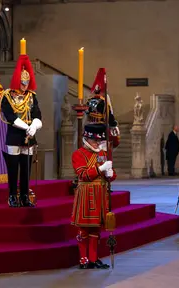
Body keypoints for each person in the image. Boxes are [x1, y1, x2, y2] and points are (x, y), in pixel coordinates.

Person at [71, 123, 117, 269]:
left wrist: (111, 174)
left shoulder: (102, 154)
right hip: (86, 193)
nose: (98, 144)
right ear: (87, 139)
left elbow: (110, 174)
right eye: (95, 141)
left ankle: (93, 258)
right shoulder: (78, 154)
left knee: (96, 229)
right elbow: (83, 175)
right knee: (84, 228)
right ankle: (83, 259)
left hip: (100, 194)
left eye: (99, 141)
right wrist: (100, 169)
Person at [0, 54, 42, 208]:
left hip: (30, 134)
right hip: (15, 134)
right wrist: (27, 127)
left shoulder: (31, 97)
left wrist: (34, 126)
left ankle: (24, 196)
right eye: (23, 82)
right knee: (13, 168)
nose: (25, 85)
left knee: (26, 168)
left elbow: (37, 115)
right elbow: (10, 116)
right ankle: (12, 196)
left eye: (27, 82)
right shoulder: (7, 97)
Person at [85, 68, 120, 149]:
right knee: (104, 150)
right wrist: (114, 124)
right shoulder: (103, 102)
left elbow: (87, 112)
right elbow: (109, 117)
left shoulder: (89, 101)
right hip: (100, 130)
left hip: (89, 129)